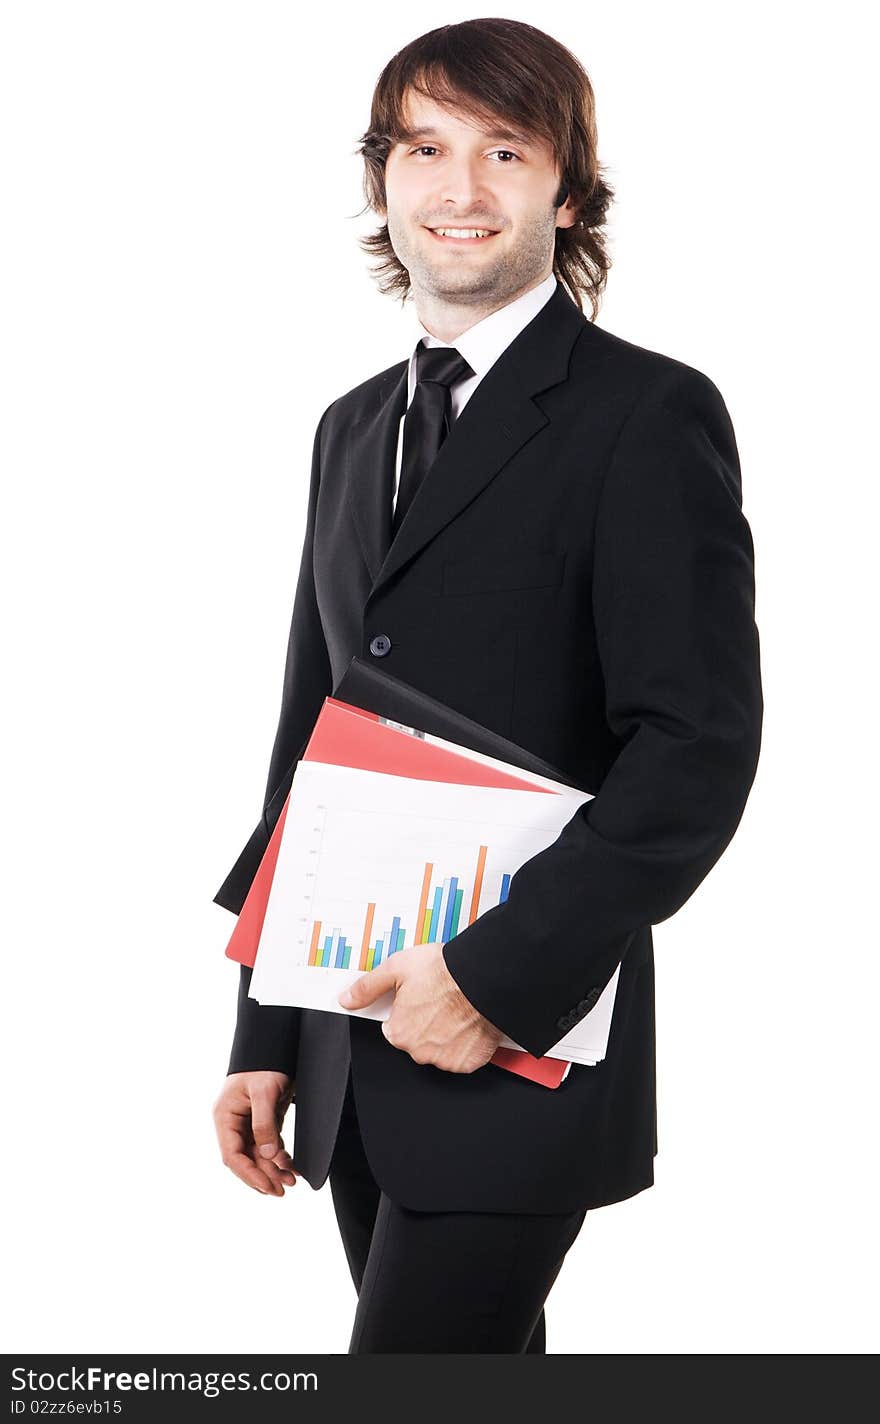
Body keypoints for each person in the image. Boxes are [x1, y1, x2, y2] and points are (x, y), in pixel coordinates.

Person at [211, 18, 763, 1354]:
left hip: (520, 1035)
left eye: (505, 151)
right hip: (349, 1042)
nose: (460, 190)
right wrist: (264, 1022)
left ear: (566, 189)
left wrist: (498, 980)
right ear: (382, 179)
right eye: (425, 149)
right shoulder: (351, 430)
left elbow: (694, 745)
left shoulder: (647, 414)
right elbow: (315, 740)